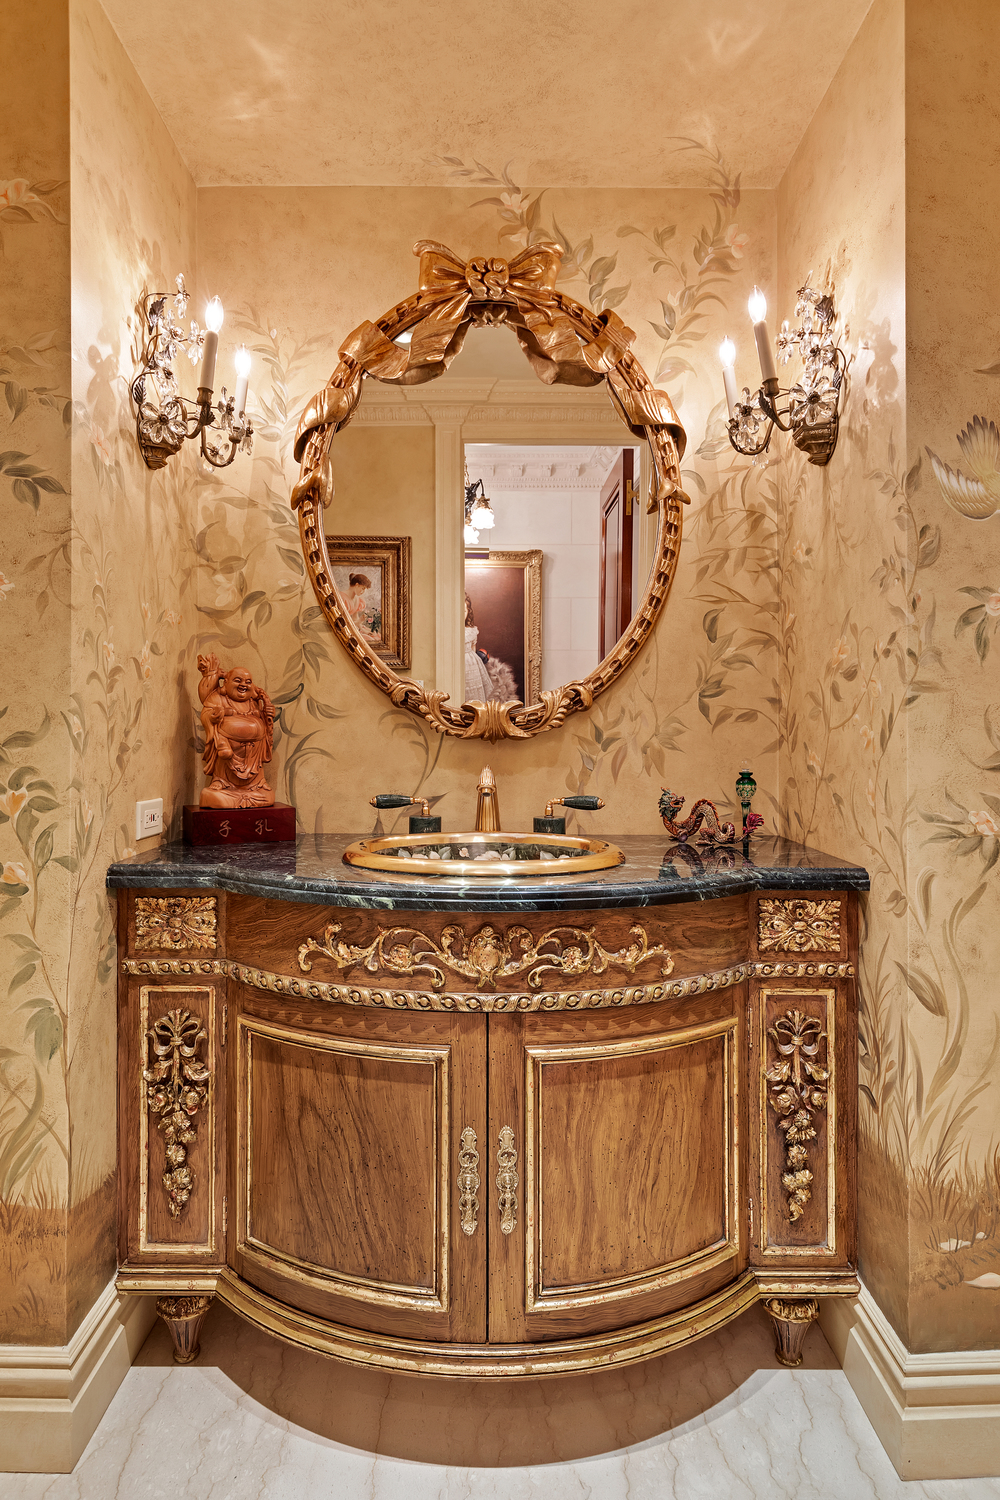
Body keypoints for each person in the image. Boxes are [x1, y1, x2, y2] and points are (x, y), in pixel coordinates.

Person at [197, 654, 276, 808]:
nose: (243, 685)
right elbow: (206, 714)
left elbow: (264, 721)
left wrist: (266, 714)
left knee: (266, 796)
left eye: (248, 682)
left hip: (253, 755)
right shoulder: (218, 698)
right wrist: (215, 715)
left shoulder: (253, 702)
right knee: (218, 798)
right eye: (238, 680)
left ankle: (257, 784)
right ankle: (221, 782)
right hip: (227, 757)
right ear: (225, 683)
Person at [464, 595, 518, 704]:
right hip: (457, 662)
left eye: (464, 611)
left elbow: (473, 650)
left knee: (474, 692)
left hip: (471, 663)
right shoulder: (451, 630)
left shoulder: (471, 630)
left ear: (468, 612)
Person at [343, 572, 378, 641]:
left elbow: (354, 619)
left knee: (376, 636)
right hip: (345, 631)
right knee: (371, 640)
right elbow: (344, 624)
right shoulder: (342, 598)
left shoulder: (357, 599)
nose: (363, 592)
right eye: (363, 588)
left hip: (354, 628)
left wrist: (364, 631)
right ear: (357, 585)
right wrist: (359, 621)